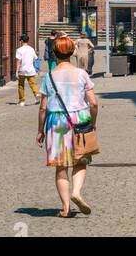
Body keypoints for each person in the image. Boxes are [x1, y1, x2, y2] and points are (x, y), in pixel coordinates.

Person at [37, 34, 99, 218]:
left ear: (54, 54)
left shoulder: (49, 77)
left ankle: (65, 208)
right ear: (72, 52)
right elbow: (94, 103)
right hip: (79, 119)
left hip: (57, 122)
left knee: (61, 165)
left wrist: (40, 130)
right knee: (80, 160)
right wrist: (93, 124)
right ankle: (77, 192)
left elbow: (42, 107)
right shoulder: (82, 74)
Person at [15, 33, 41, 105]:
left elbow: (18, 61)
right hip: (30, 70)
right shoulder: (31, 49)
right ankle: (37, 94)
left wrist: (17, 71)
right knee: (33, 84)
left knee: (21, 85)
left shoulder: (19, 50)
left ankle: (22, 101)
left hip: (22, 70)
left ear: (22, 41)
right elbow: (36, 58)